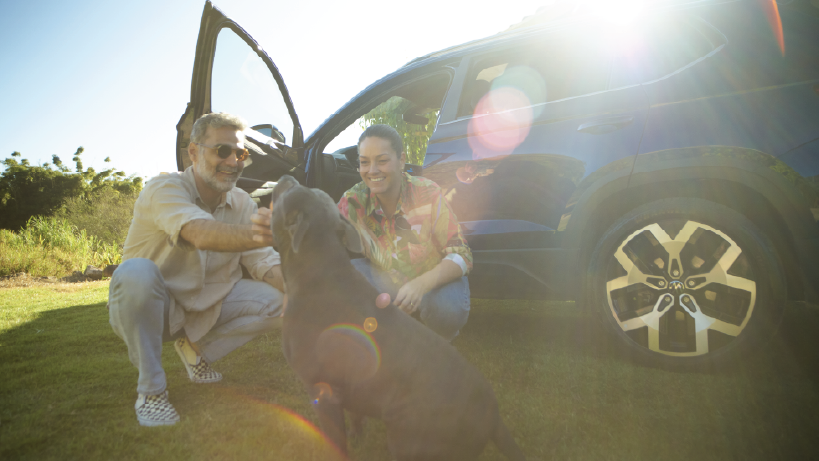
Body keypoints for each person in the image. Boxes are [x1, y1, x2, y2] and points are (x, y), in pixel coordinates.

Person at [108, 112, 285, 427]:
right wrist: (263, 232)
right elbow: (199, 233)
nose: (233, 161)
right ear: (193, 152)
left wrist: (309, 291)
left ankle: (194, 350)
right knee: (134, 273)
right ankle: (151, 391)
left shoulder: (243, 203)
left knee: (283, 302)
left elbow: (264, 261)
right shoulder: (163, 188)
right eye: (222, 151)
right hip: (155, 308)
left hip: (207, 307)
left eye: (240, 154)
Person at [337, 124, 473, 341]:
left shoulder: (428, 192)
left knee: (447, 309)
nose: (372, 170)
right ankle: (383, 329)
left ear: (401, 160)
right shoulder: (352, 202)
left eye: (382, 161)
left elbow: (462, 255)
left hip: (434, 278)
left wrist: (420, 285)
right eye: (364, 162)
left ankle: (439, 331)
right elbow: (324, 242)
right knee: (339, 279)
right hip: (386, 278)